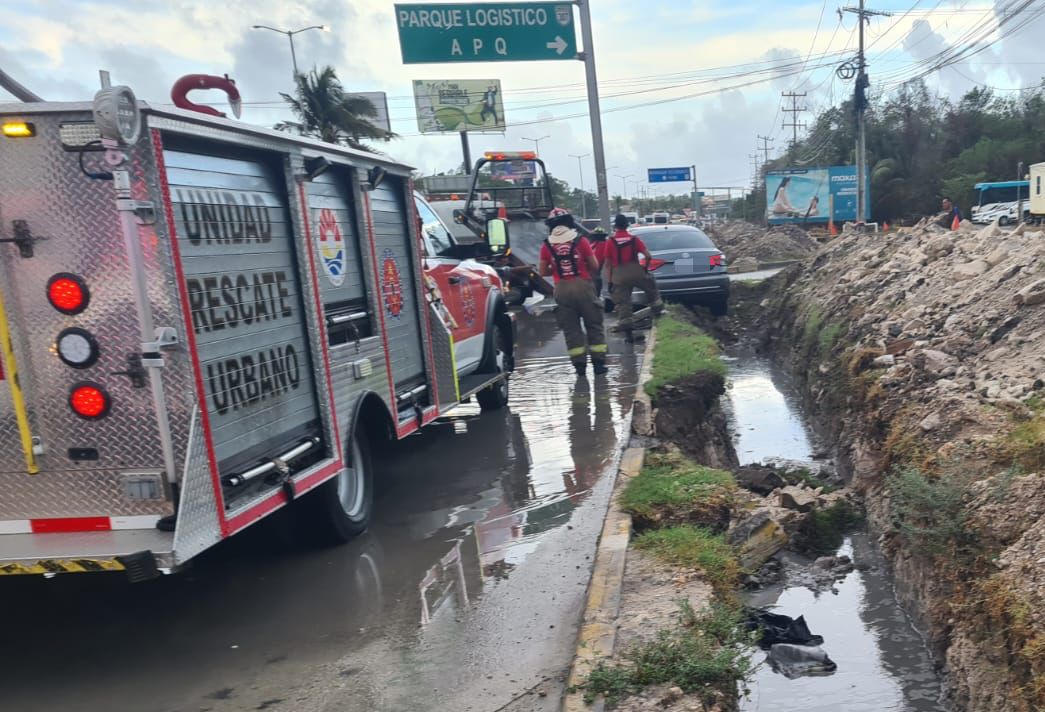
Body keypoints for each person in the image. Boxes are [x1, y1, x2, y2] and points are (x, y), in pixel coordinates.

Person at [539, 208, 608, 376]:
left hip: (561, 289)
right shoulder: (581, 241)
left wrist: (557, 270)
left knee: (571, 330)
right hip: (583, 286)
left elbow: (542, 272)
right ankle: (598, 365)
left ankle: (580, 368)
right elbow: (594, 266)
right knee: (594, 324)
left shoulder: (547, 245)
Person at [606, 214, 663, 340]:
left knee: (623, 303)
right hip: (635, 270)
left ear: (615, 226)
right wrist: (645, 269)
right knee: (650, 286)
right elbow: (648, 256)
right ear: (627, 225)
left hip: (619, 274)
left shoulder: (610, 242)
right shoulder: (634, 239)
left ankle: (629, 334)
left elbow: (608, 264)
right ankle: (658, 310)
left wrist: (610, 282)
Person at [587, 226, 609, 298]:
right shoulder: (604, 245)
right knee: (595, 296)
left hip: (586, 275)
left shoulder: (590, 245)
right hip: (594, 274)